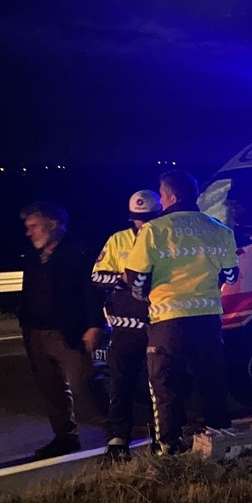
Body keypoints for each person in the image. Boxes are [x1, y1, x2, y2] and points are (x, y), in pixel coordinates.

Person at [123, 170, 239, 454]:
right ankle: (220, 439)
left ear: (171, 197)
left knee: (164, 384)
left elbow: (135, 279)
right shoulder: (219, 229)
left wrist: (146, 296)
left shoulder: (153, 230)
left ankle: (169, 446)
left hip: (168, 321)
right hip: (208, 319)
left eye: (161, 196)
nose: (160, 202)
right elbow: (231, 275)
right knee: (211, 379)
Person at [18, 201, 106, 459]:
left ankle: (117, 427)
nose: (29, 232)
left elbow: (91, 291)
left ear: (53, 224)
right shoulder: (34, 255)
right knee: (51, 388)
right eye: (27, 227)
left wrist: (94, 326)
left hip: (67, 331)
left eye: (34, 226)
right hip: (35, 332)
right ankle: (65, 436)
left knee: (85, 384)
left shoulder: (78, 251)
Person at [91, 189, 162, 462]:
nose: (142, 224)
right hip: (123, 328)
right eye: (137, 219)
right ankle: (118, 439)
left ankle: (161, 435)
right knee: (120, 383)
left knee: (157, 384)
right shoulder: (118, 240)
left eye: (148, 218)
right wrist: (124, 279)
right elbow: (97, 276)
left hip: (157, 322)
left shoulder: (166, 240)